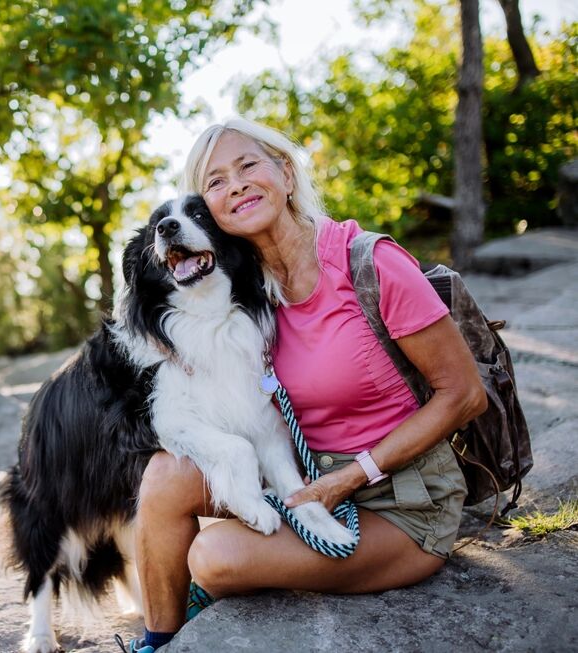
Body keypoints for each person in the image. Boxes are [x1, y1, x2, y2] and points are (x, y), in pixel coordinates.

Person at [119, 117, 487, 653]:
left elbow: (464, 395)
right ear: (209, 211)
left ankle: (207, 599)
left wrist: (350, 477)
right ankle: (161, 641)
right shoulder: (240, 293)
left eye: (249, 165)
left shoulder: (370, 263)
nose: (237, 184)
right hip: (303, 479)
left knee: (214, 557)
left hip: (400, 501)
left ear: (286, 175)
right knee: (163, 476)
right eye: (216, 181)